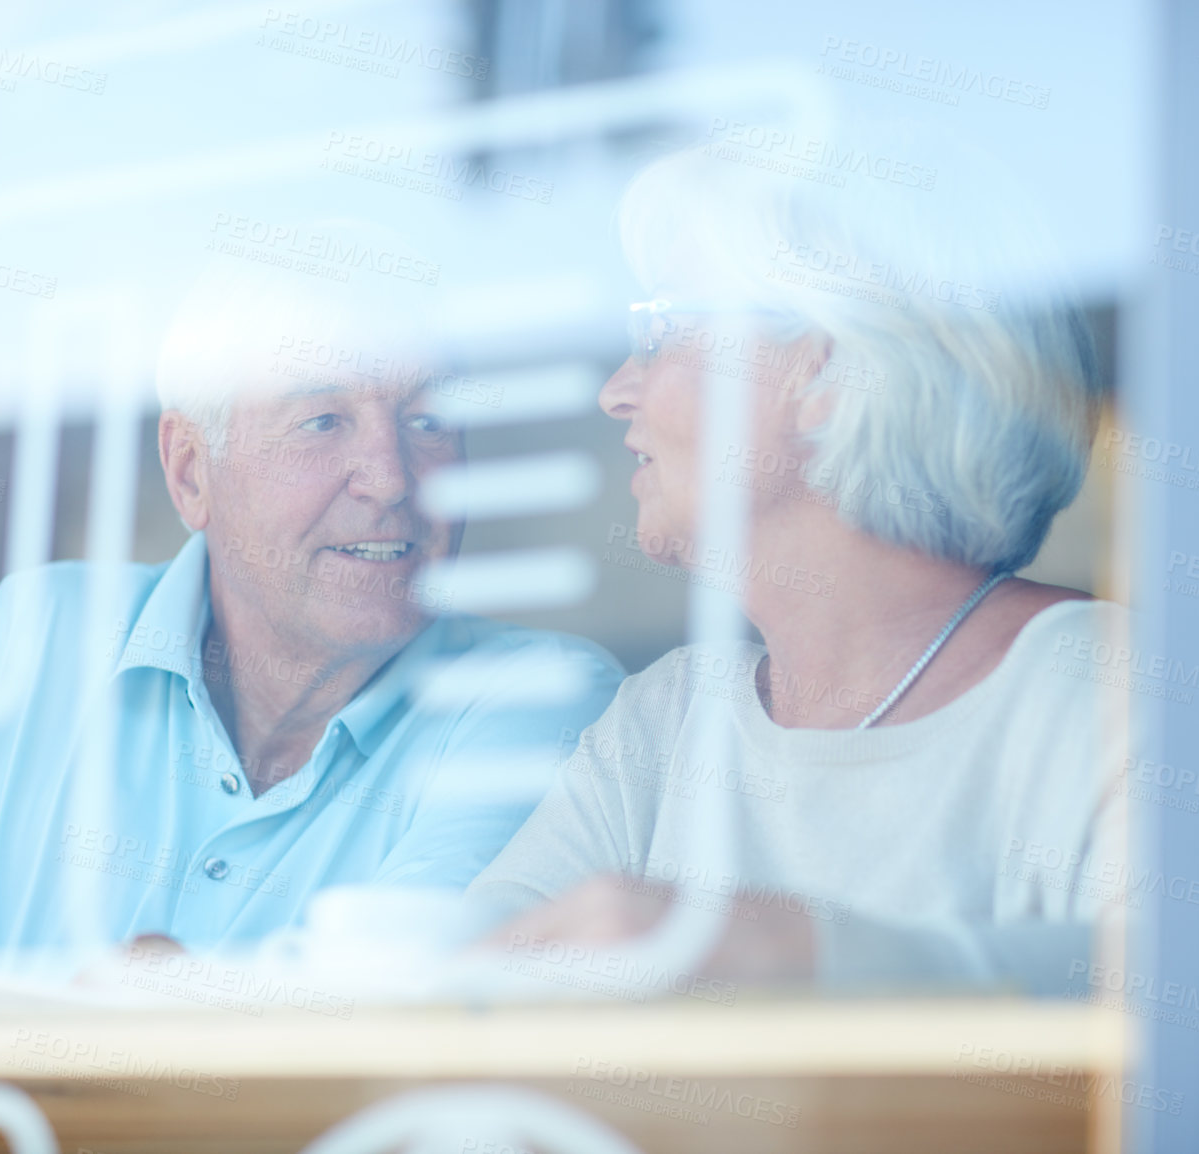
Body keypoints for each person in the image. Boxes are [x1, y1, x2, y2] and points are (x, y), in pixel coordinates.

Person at [467, 137, 1126, 990]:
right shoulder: (665, 723)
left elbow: (1197, 1005)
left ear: (827, 369)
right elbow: (462, 988)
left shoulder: (1103, 692)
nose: (618, 389)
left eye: (664, 330)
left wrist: (798, 957)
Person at [0, 229, 623, 958]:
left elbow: (406, 1000)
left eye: (427, 419)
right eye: (322, 421)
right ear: (191, 471)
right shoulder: (32, 639)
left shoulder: (539, 699)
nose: (392, 477)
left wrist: (174, 999)